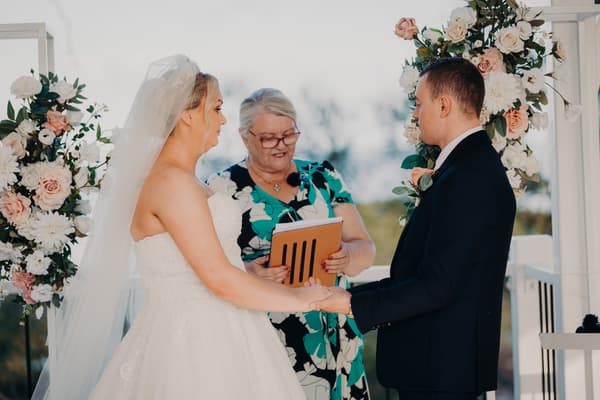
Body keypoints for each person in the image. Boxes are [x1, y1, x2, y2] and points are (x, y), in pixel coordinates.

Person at [32, 55, 331, 400]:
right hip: (197, 343)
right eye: (216, 108)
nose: (222, 120)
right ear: (188, 114)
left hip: (227, 328)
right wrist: (303, 299)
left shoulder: (184, 181)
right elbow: (217, 278)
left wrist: (247, 270)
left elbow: (194, 263)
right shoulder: (172, 184)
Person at [315, 58, 517, 400]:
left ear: (443, 105)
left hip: (442, 374)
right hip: (437, 369)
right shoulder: (465, 168)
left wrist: (350, 303)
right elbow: (428, 271)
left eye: (418, 104)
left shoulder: (469, 177)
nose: (414, 114)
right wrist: (349, 295)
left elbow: (439, 285)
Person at [207, 88, 375, 400]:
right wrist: (248, 271)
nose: (282, 146)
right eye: (270, 138)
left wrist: (347, 255)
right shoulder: (221, 187)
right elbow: (207, 265)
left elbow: (365, 249)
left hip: (334, 333)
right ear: (245, 137)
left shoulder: (323, 176)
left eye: (289, 134)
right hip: (268, 338)